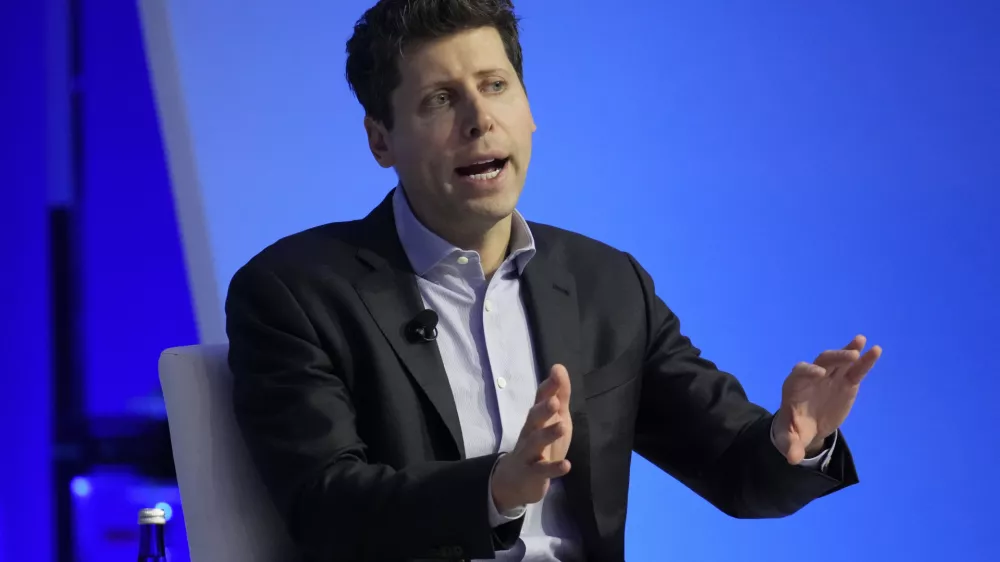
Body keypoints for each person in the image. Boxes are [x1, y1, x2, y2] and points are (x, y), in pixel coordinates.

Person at [225, 1, 882, 560]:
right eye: (439, 100)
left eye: (496, 85)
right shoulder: (296, 292)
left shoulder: (605, 283)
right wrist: (495, 489)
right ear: (380, 140)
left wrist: (798, 440)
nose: (479, 120)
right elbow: (325, 511)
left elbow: (739, 478)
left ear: (530, 109)